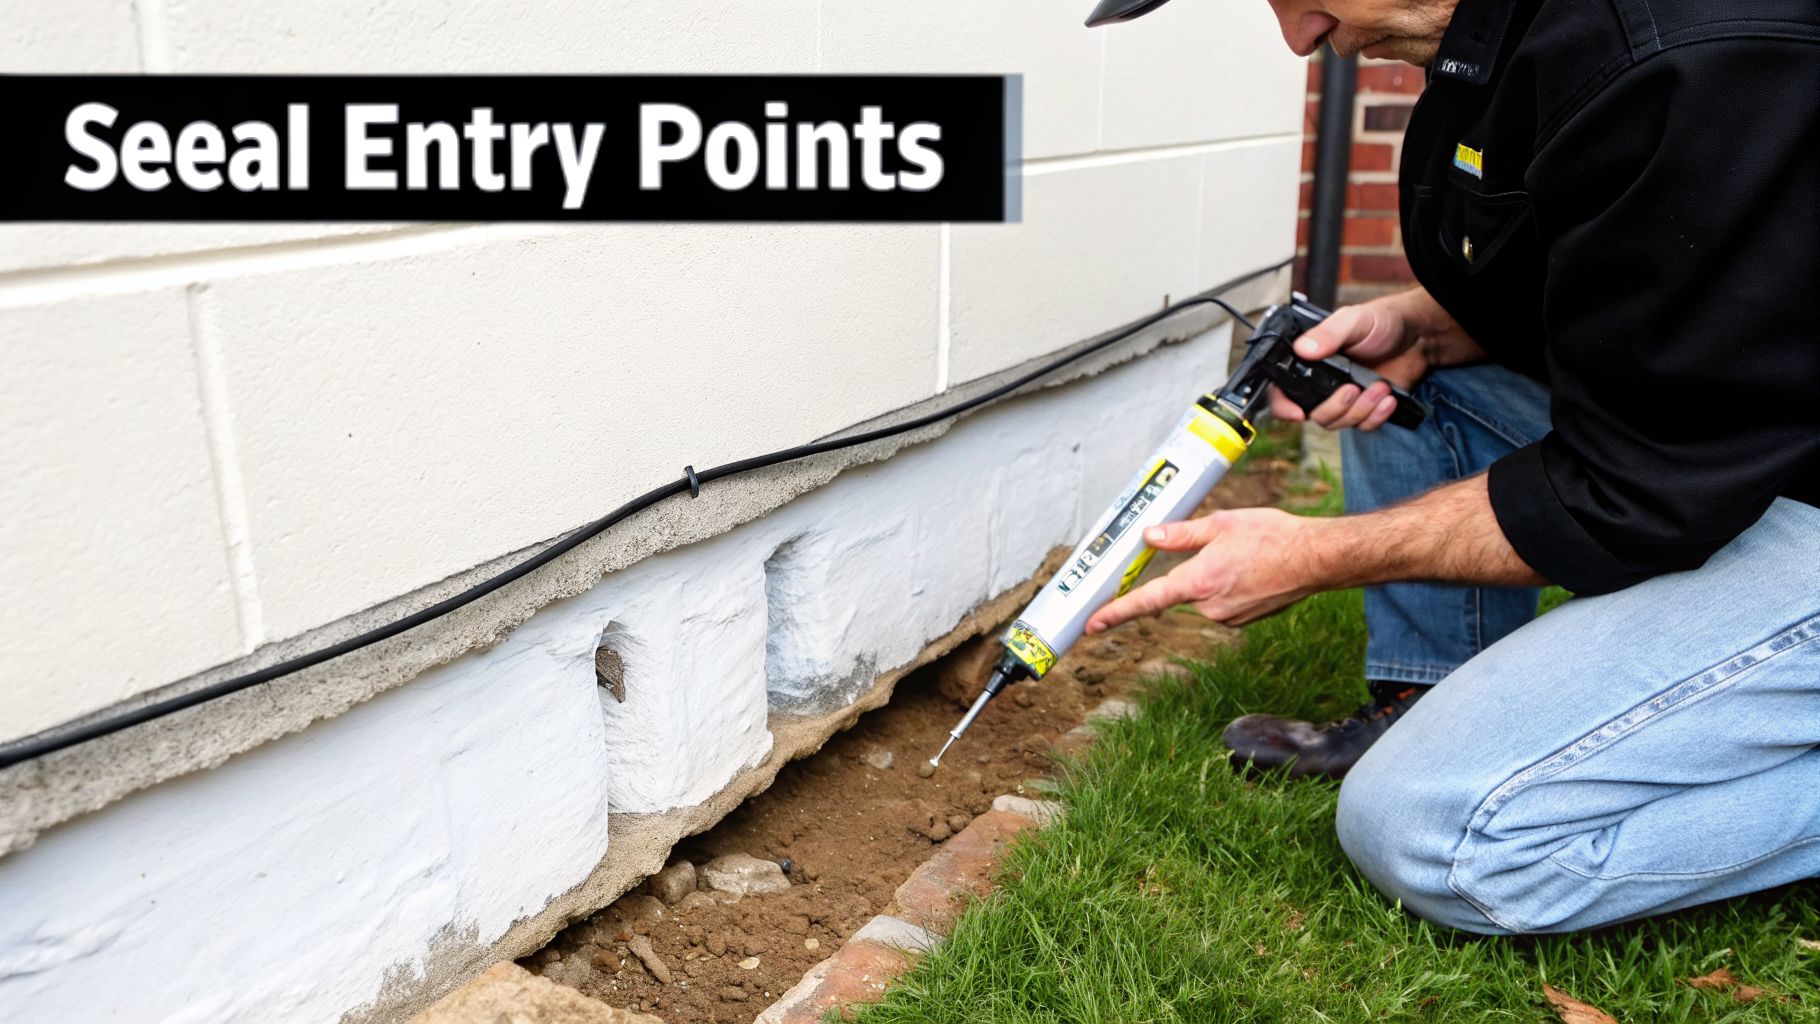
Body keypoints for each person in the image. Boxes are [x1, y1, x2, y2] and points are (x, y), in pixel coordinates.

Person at [1081, 0, 1820, 934]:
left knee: (1431, 832)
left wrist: (1316, 554)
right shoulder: (1513, 45)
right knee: (1416, 392)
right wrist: (1426, 331)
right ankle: (1426, 701)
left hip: (1761, 480)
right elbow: (1653, 303)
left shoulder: (1693, 63)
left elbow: (1633, 491)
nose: (1300, 37)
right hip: (1747, 440)